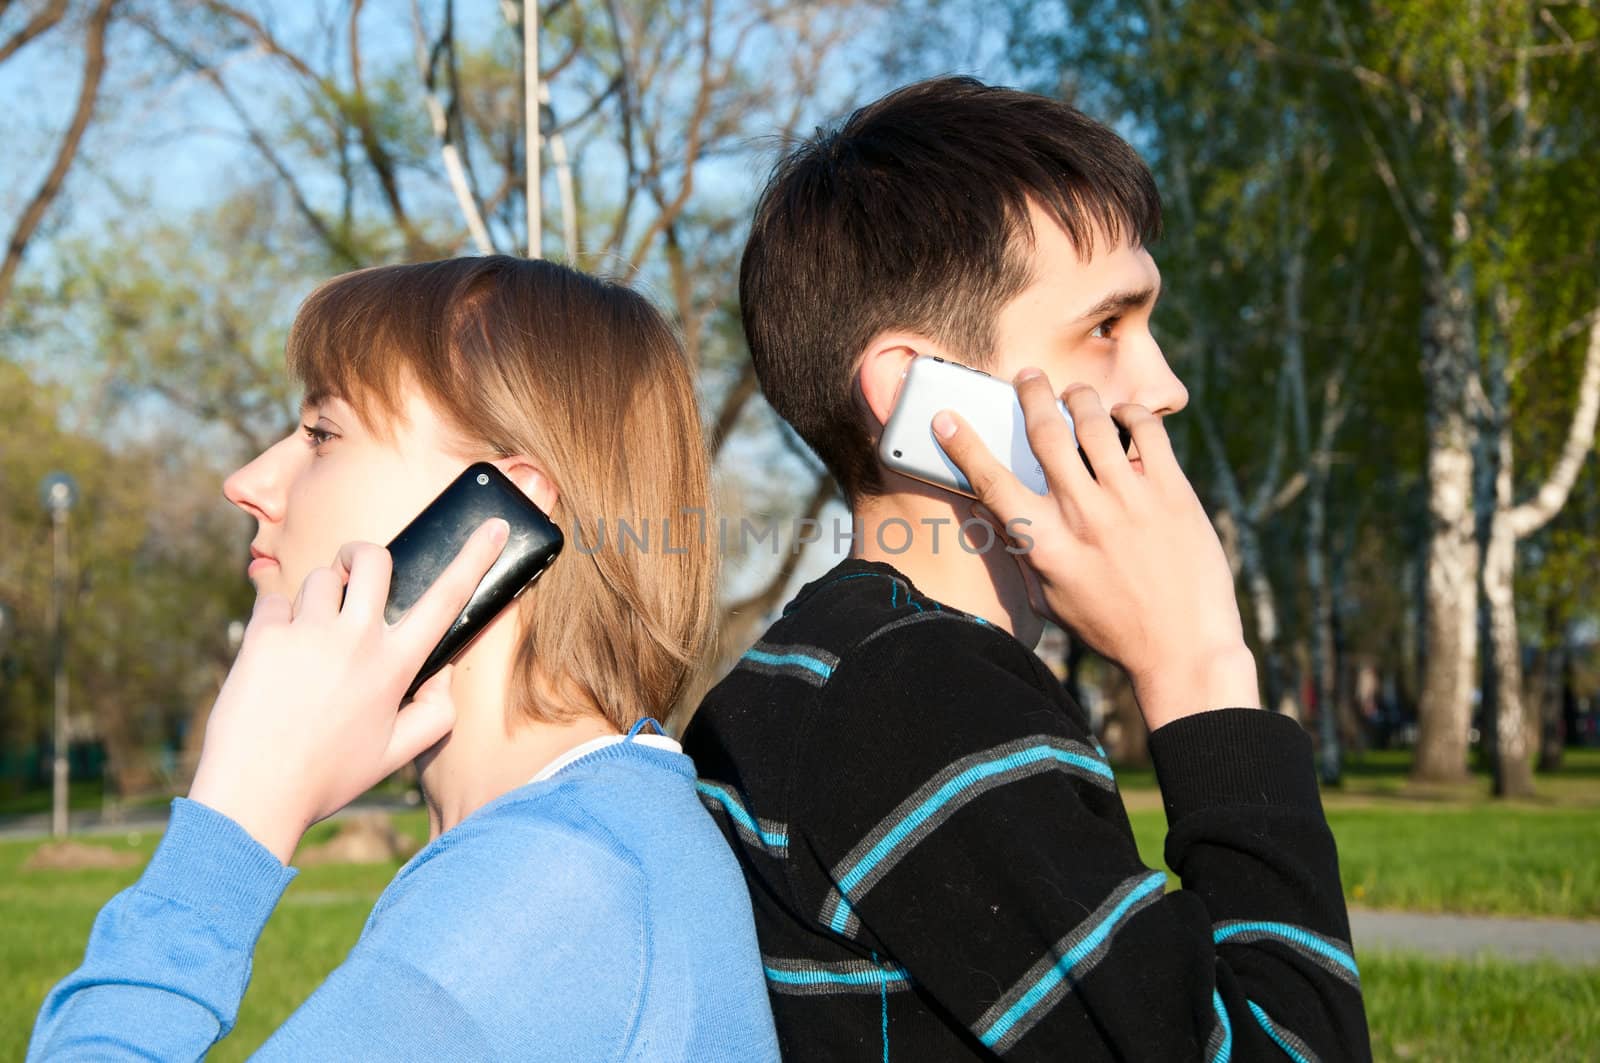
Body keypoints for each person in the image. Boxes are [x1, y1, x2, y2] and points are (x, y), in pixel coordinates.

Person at [683, 77, 1372, 1060]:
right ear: (923, 399)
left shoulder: (831, 672)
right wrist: (1200, 666)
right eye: (1106, 328)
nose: (1163, 386)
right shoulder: (918, 703)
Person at [29, 256, 781, 1062]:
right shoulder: (594, 835)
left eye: (322, 434)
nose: (245, 482)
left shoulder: (553, 888)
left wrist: (233, 822)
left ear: (499, 512)